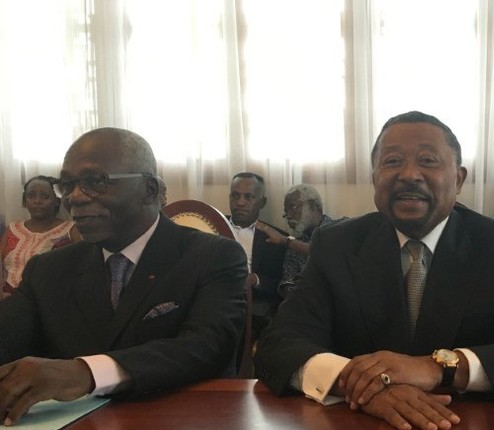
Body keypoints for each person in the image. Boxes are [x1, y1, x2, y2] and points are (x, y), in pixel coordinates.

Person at [257, 111, 494, 430]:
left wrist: (440, 367)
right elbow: (279, 345)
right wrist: (359, 385)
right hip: (361, 419)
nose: (409, 174)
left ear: (458, 179)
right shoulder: (336, 244)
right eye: (393, 161)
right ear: (374, 178)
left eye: (428, 160)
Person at [0, 127, 247, 425]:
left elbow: (206, 348)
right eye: (67, 185)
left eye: (95, 182)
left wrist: (86, 373)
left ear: (149, 190)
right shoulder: (47, 269)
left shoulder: (213, 256)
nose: (75, 197)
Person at [260, 184, 348, 296]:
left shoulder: (341, 227)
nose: (288, 216)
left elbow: (325, 252)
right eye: (286, 211)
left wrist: (285, 241)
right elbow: (287, 281)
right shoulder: (293, 245)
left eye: (293, 207)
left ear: (313, 206)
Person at [1, 175, 81, 297]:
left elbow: (83, 270)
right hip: (8, 302)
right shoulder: (13, 229)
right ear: (24, 201)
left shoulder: (71, 230)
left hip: (50, 304)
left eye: (44, 196)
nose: (37, 201)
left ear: (56, 201)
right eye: (31, 195)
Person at [227, 172, 287, 334]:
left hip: (251, 304)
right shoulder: (212, 224)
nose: (240, 203)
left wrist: (255, 279)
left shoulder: (275, 238)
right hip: (214, 298)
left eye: (249, 197)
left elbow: (278, 283)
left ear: (262, 202)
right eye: (235, 195)